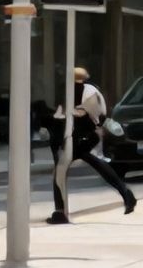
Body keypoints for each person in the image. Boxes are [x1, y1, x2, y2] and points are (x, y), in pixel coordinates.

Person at [47, 66, 136, 223]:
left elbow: (96, 117)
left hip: (86, 136)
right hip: (76, 136)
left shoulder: (89, 92)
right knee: (90, 163)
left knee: (61, 169)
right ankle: (125, 193)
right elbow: (62, 112)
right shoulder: (73, 92)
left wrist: (72, 114)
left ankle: (60, 212)